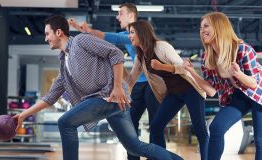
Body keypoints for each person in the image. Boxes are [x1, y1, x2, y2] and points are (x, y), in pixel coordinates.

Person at [13, 15, 183, 160]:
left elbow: (115, 53)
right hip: (110, 101)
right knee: (134, 147)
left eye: (47, 34)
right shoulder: (64, 66)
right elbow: (49, 97)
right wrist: (22, 115)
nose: (45, 38)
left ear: (59, 32)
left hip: (109, 96)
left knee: (65, 123)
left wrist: (117, 87)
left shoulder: (81, 40)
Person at [69, 4, 160, 160]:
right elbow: (113, 38)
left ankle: (159, 157)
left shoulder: (139, 34)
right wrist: (83, 30)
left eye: (120, 13)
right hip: (138, 85)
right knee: (131, 123)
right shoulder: (127, 35)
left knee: (155, 125)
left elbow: (115, 37)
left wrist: (89, 31)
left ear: (131, 16)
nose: (117, 17)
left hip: (153, 84)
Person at [183, 11, 262, 160]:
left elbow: (253, 83)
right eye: (201, 28)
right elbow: (211, 90)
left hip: (259, 93)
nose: (202, 30)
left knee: (260, 140)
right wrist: (191, 72)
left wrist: (238, 74)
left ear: (219, 27)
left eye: (206, 26)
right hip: (239, 95)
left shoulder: (243, 49)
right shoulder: (208, 57)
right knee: (216, 127)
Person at [125, 20, 209, 160]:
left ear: (142, 33)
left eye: (132, 32)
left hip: (190, 90)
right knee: (156, 127)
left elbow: (183, 67)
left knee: (200, 130)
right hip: (173, 94)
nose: (129, 36)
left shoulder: (162, 46)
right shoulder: (141, 56)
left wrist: (161, 66)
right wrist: (117, 81)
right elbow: (131, 78)